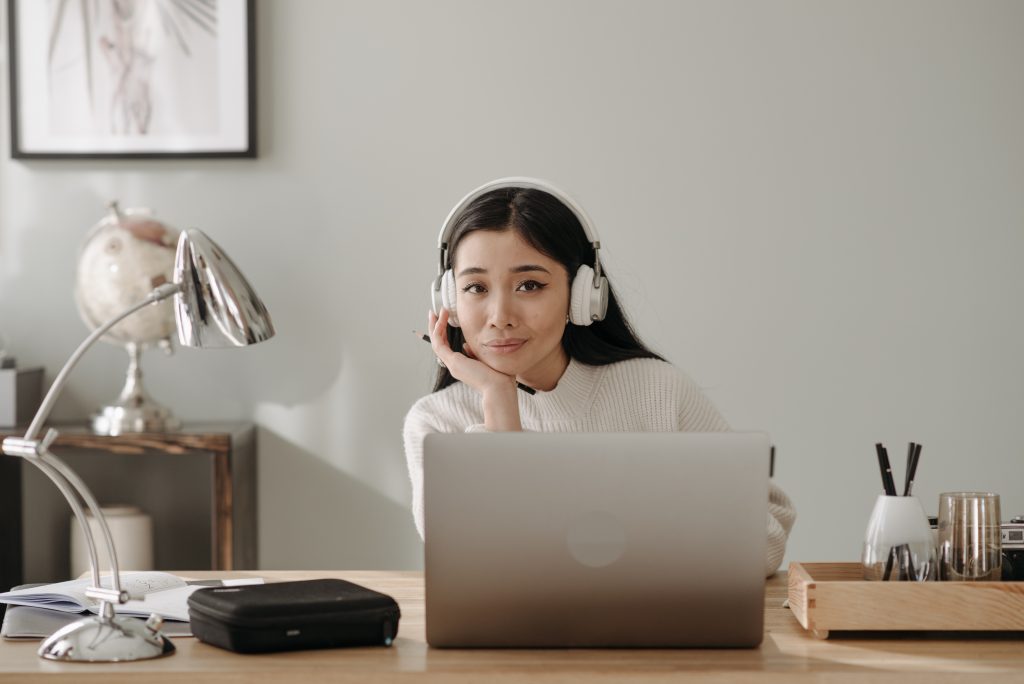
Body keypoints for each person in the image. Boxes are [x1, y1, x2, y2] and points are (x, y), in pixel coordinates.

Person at [403, 179, 796, 576]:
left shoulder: (656, 391)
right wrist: (499, 404)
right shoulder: (436, 423)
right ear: (449, 301)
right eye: (475, 287)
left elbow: (763, 537)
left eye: (530, 285)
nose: (500, 315)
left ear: (581, 295)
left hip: (654, 630)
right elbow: (481, 565)